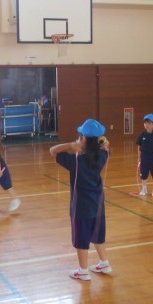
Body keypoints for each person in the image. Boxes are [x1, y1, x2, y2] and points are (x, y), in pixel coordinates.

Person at [50, 119, 111, 281]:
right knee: (97, 233)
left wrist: (71, 145)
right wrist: (98, 144)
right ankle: (104, 263)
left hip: (81, 207)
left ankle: (83, 271)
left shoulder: (76, 162)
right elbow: (105, 147)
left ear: (83, 139)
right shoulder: (103, 155)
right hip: (98, 204)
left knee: (81, 237)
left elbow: (52, 151)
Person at [136, 113, 153, 197]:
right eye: (145, 123)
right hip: (144, 157)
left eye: (149, 123)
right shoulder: (142, 135)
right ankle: (144, 188)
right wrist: (139, 157)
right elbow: (139, 146)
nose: (147, 125)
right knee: (143, 174)